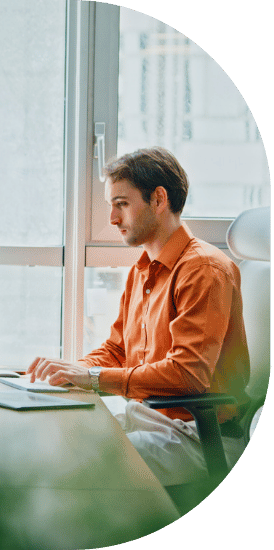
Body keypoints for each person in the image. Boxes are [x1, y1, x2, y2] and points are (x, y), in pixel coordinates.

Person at [27, 146, 250, 486]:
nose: (113, 219)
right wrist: (71, 373)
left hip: (200, 434)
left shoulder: (203, 270)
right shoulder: (142, 271)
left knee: (78, 465)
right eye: (111, 206)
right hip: (149, 415)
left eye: (122, 204)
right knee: (53, 434)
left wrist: (96, 379)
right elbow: (116, 350)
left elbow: (188, 374)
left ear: (158, 200)